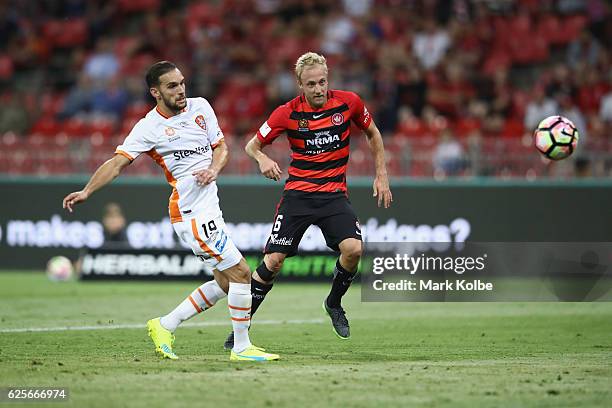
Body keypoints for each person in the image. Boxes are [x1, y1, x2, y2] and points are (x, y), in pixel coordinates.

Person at [62, 61, 278, 362]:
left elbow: (221, 147)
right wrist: (87, 190)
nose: (181, 90)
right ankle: (241, 348)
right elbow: (117, 163)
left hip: (210, 208)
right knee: (242, 273)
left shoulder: (201, 107)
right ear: (156, 92)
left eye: (182, 83)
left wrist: (213, 169)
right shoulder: (149, 127)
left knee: (226, 282)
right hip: (190, 213)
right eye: (172, 86)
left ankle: (165, 324)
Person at [224, 52, 392, 349]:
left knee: (354, 250)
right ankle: (241, 328)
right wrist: (262, 158)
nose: (318, 89)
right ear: (300, 84)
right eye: (311, 84)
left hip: (333, 195)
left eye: (323, 82)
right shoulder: (286, 113)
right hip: (298, 195)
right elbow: (252, 145)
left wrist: (381, 175)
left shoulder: (348, 102)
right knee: (273, 262)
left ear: (329, 78)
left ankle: (334, 303)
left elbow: (373, 133)